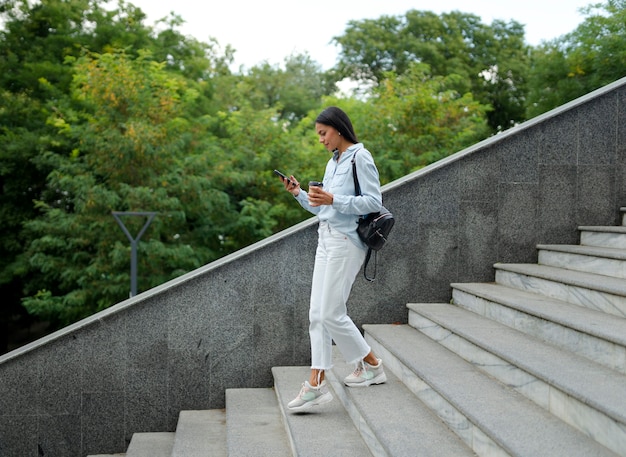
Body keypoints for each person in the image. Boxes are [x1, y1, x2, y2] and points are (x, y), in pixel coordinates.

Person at [277, 106, 386, 413]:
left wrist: (334, 198)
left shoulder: (360, 157)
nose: (321, 140)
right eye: (319, 135)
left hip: (345, 243)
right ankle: (327, 381)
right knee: (317, 314)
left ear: (338, 129)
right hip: (325, 240)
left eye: (323, 133)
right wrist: (299, 193)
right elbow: (324, 209)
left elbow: (374, 201)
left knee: (331, 315)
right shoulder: (332, 163)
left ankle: (363, 368)